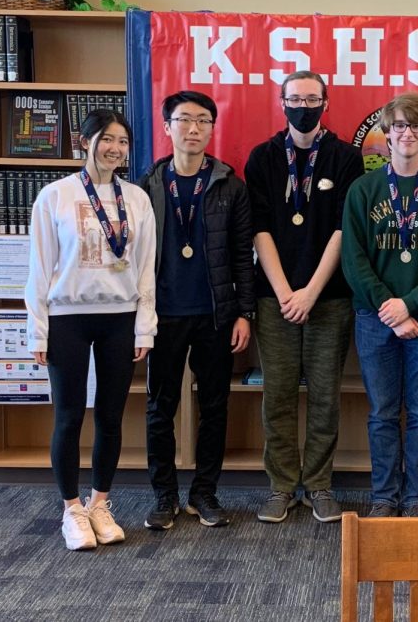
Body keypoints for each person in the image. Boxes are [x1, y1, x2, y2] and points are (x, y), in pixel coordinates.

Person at [25, 109, 157, 551]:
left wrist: (144, 329)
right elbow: (39, 270)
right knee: (68, 416)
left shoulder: (136, 199)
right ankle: (72, 509)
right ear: (85, 141)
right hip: (67, 319)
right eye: (107, 139)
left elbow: (145, 272)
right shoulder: (55, 196)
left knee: (111, 416)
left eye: (123, 141)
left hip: (120, 318)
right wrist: (37, 332)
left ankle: (100, 504)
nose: (115, 148)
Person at [245, 71, 363, 523]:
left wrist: (311, 293)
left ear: (325, 103)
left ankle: (318, 485)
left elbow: (342, 231)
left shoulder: (346, 158)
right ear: (281, 102)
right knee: (276, 395)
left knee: (325, 396)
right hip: (275, 298)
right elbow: (259, 229)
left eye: (312, 99)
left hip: (328, 297)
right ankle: (280, 485)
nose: (303, 106)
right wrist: (284, 292)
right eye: (295, 99)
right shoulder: (262, 158)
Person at [341, 92, 418, 518]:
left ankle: (416, 498)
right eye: (399, 126)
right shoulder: (363, 190)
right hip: (375, 319)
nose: (407, 133)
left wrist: (409, 306)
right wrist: (389, 310)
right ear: (386, 134)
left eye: (416, 127)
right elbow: (353, 260)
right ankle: (383, 497)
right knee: (382, 413)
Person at [139, 91, 255, 531]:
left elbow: (244, 257)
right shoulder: (146, 186)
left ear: (212, 128)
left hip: (216, 315)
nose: (193, 129)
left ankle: (204, 493)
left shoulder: (230, 185)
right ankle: (164, 495)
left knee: (215, 406)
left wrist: (245, 313)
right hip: (163, 314)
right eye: (184, 120)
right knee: (159, 407)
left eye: (203, 121)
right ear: (167, 126)